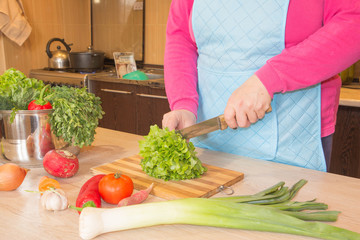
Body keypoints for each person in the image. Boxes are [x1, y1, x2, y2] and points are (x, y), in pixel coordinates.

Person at [162, 0, 360, 172]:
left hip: (291, 142)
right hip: (207, 144)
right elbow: (180, 37)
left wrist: (270, 79)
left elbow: (354, 23)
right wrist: (183, 104)